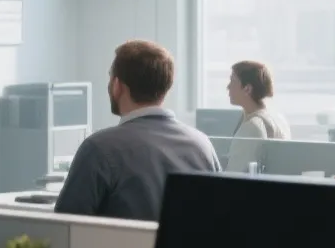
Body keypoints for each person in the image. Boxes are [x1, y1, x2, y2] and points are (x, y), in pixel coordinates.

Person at [54, 39, 220, 221]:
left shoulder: (98, 148)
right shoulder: (202, 146)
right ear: (166, 87)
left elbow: (65, 226)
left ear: (117, 85)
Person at [224, 59, 290, 172]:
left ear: (247, 89)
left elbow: (234, 173)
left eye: (232, 81)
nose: (228, 87)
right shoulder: (279, 119)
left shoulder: (252, 126)